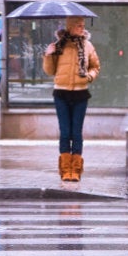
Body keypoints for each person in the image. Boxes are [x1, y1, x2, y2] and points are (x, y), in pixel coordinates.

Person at [42, 16, 100, 182]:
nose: (82, 28)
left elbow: (95, 66)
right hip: (61, 93)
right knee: (65, 132)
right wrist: (48, 55)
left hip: (81, 93)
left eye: (83, 26)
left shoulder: (87, 46)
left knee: (76, 132)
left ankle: (76, 169)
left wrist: (89, 76)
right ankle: (65, 169)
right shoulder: (58, 45)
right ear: (70, 27)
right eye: (78, 26)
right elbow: (50, 71)